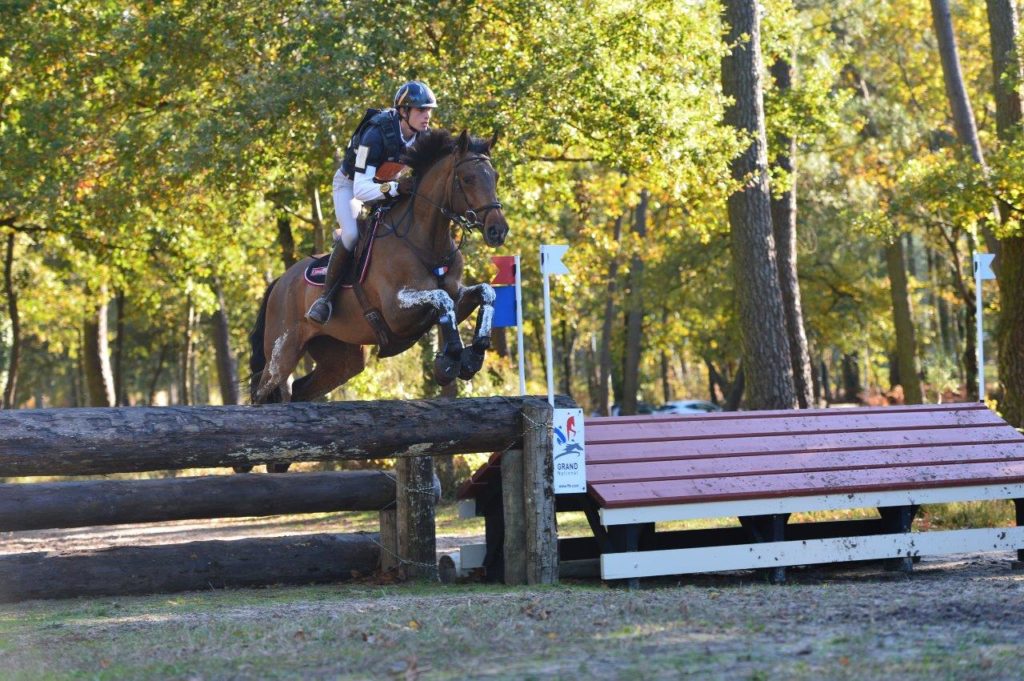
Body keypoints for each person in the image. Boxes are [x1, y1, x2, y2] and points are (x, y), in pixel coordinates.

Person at [306, 80, 437, 324]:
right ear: (403, 111)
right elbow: (362, 188)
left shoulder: (423, 136)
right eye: (421, 110)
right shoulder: (375, 135)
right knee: (352, 235)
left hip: (387, 186)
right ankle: (325, 298)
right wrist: (397, 188)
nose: (427, 116)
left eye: (429, 110)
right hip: (352, 187)